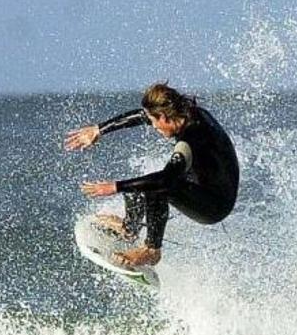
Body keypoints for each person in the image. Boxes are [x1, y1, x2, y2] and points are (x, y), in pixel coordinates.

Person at [64, 82, 239, 267]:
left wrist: (115, 187)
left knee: (158, 185)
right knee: (142, 183)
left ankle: (151, 250)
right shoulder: (182, 113)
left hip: (215, 204)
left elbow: (164, 181)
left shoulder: (191, 139)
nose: (154, 127)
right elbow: (141, 116)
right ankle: (129, 229)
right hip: (206, 181)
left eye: (155, 123)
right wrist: (99, 129)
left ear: (163, 117)